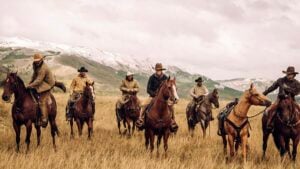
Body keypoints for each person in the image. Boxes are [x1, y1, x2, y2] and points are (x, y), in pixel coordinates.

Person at [136, 63, 178, 132]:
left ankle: (172, 121)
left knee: (171, 107)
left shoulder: (165, 78)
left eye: (160, 70)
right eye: (157, 70)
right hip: (153, 96)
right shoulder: (152, 77)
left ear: (161, 70)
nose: (158, 71)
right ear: (155, 70)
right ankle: (141, 119)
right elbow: (148, 89)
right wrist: (154, 94)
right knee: (144, 105)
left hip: (164, 98)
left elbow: (168, 88)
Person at [27, 53, 56, 128]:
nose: (36, 62)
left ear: (41, 60)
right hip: (42, 81)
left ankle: (44, 119)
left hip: (48, 83)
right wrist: (30, 82)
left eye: (38, 60)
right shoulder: (35, 65)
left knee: (42, 101)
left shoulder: (43, 68)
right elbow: (34, 75)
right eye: (36, 60)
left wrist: (31, 85)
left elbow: (39, 80)